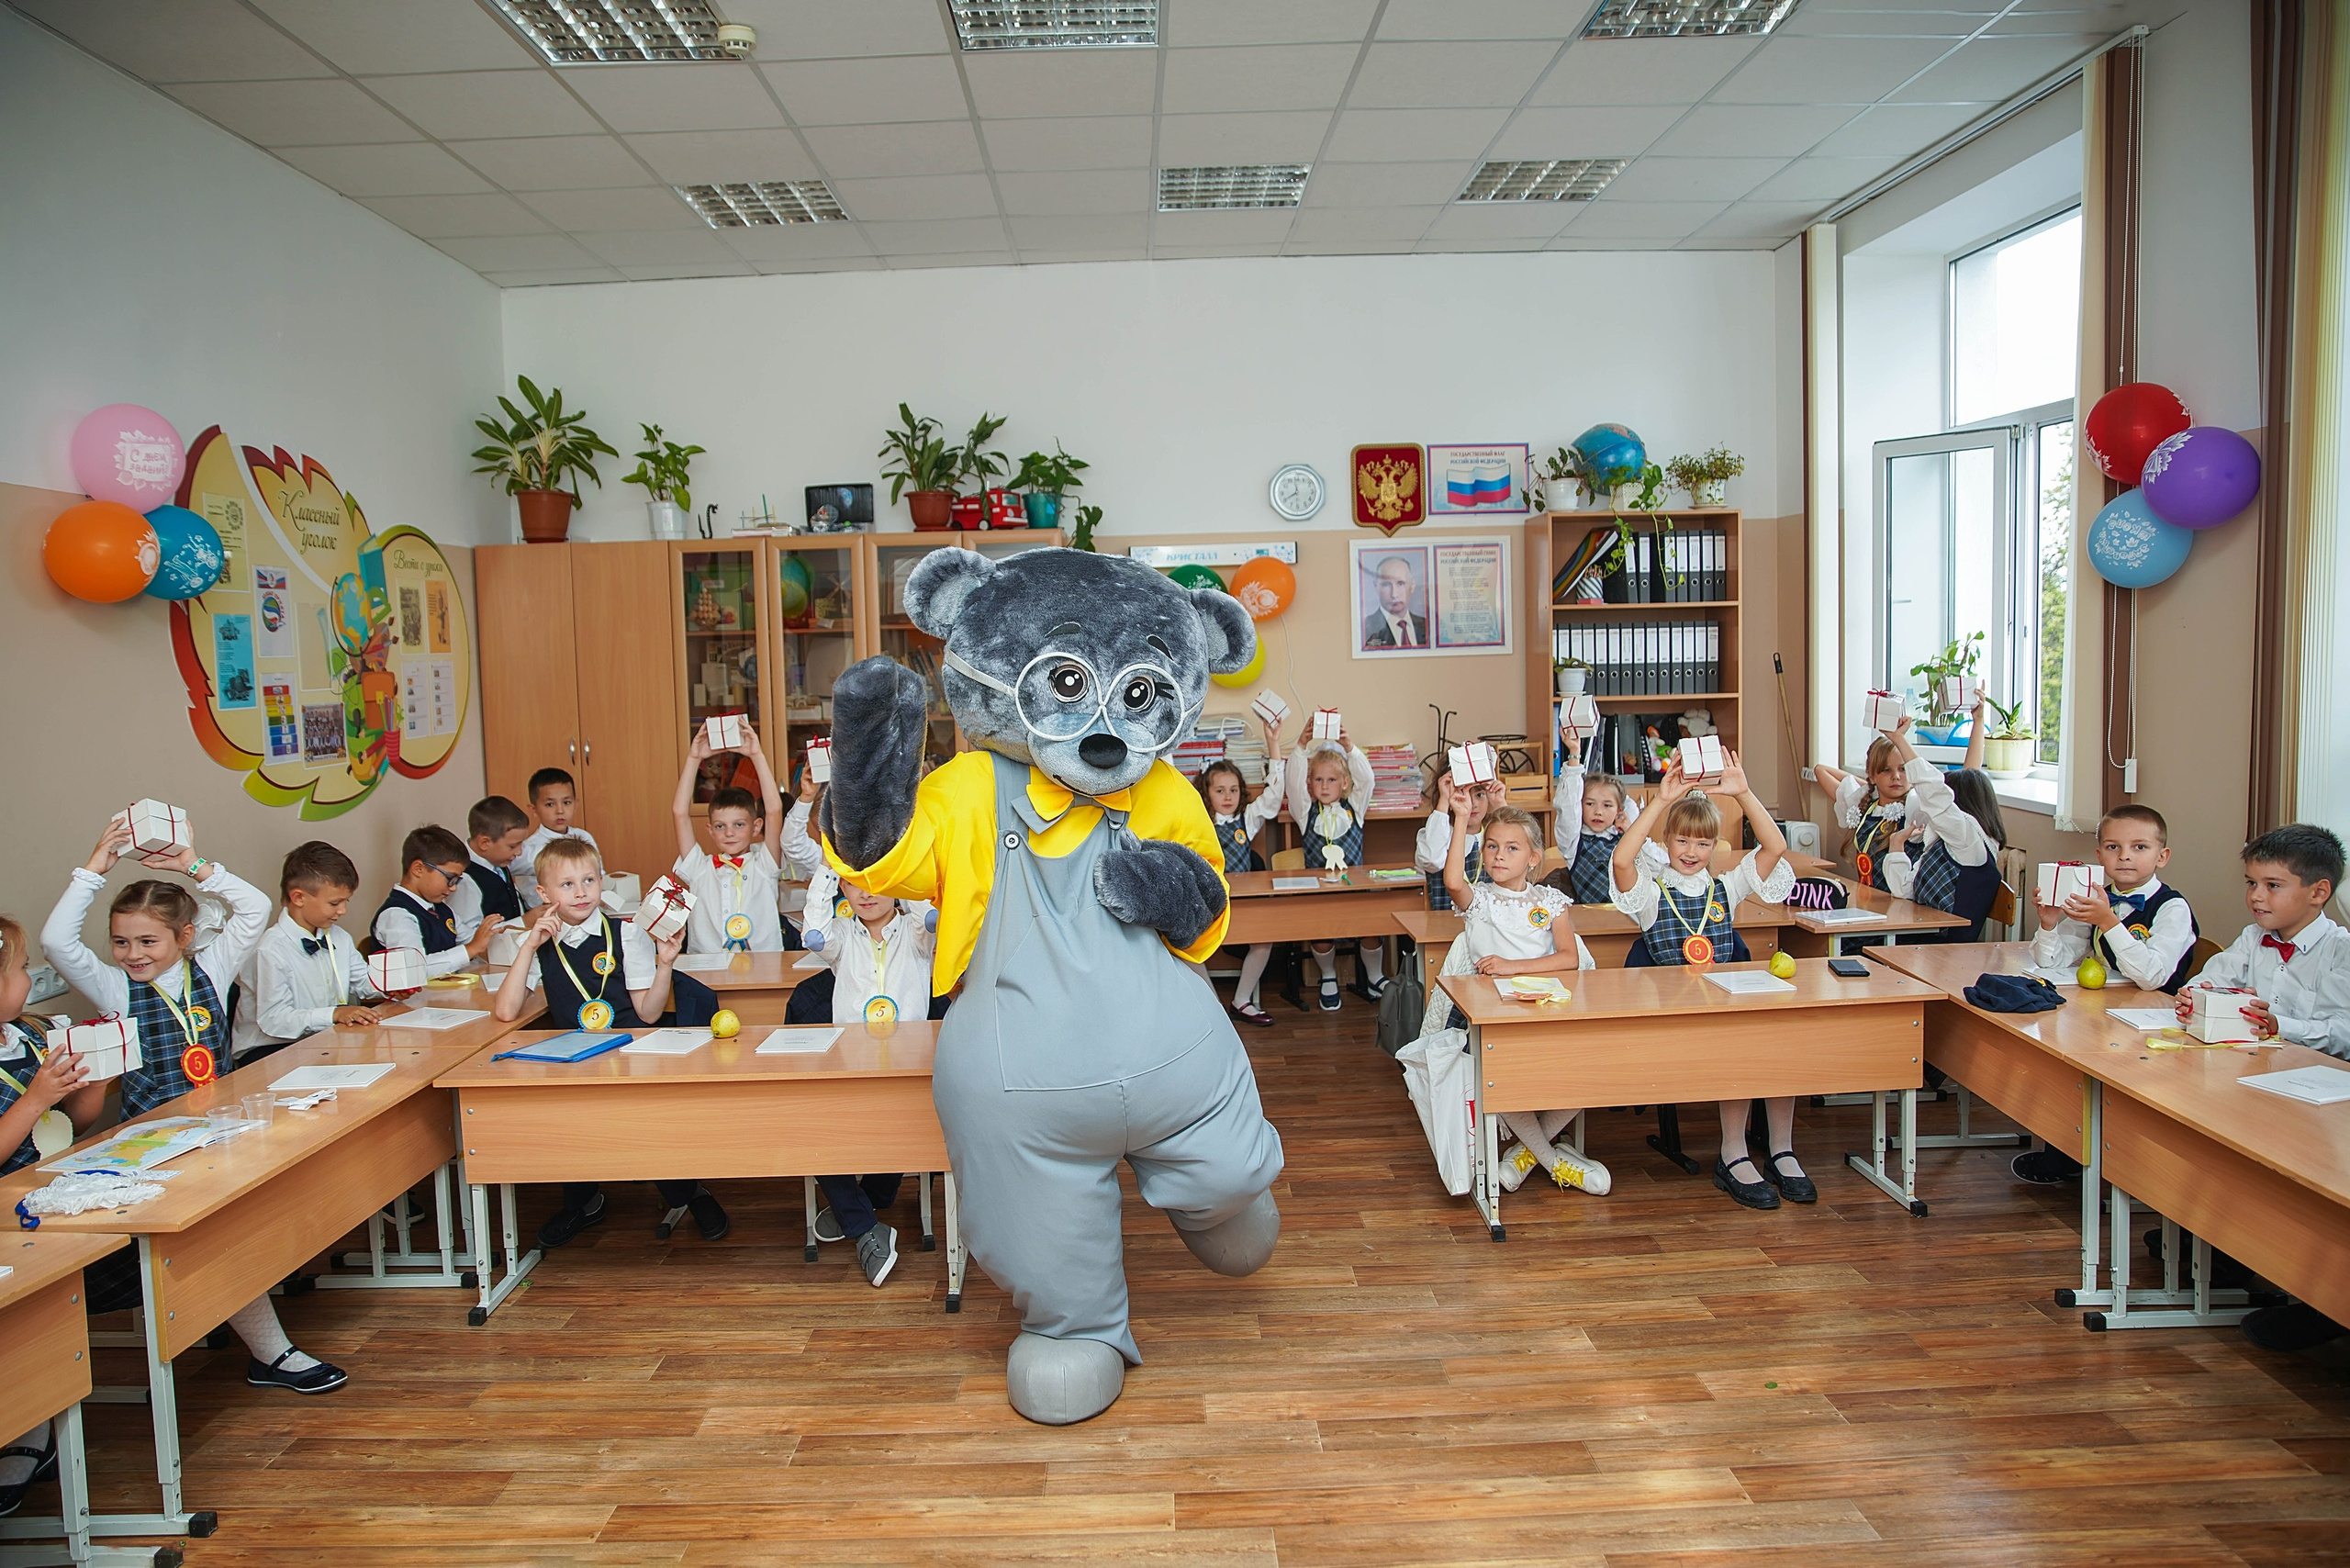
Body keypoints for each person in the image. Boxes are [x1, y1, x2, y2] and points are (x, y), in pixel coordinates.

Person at [41, 818, 348, 1394]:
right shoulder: (115, 988)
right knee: (216, 1240)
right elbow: (58, 943)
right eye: (122, 942)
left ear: (184, 937)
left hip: (222, 1132)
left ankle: (256, 1341)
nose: (133, 954)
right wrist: (93, 871)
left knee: (240, 1229)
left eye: (148, 941)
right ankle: (271, 1353)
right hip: (152, 1147)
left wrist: (192, 865)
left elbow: (254, 907)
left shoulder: (210, 968)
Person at [490, 836, 716, 1248]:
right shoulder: (540, 945)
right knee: (571, 1124)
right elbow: (506, 1011)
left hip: (631, 1047)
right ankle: (583, 1201)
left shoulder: (624, 933)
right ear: (543, 894)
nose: (581, 892)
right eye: (567, 884)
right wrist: (528, 946)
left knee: (644, 1123)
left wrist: (665, 963)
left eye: (589, 880)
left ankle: (688, 1193)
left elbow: (648, 1013)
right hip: (574, 1057)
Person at [2175, 824, 2350, 1353]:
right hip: (2261, 1078)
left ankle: (2321, 1306)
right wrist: (2195, 995)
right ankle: (2225, 1250)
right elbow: (2213, 977)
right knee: (2220, 1143)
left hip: (2323, 1092)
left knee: (2304, 1186)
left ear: (2318, 892)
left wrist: (2283, 1026)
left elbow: (2344, 1031)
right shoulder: (2254, 938)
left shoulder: (2341, 951)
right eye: (2252, 883)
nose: (2256, 896)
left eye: (2273, 885)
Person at [1611, 753, 1802, 1211]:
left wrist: (1743, 792)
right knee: (1738, 1044)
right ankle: (1733, 1153)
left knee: (1783, 1036)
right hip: (1673, 1014)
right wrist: (1660, 800)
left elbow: (1774, 848)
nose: (1691, 852)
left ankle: (1782, 1149)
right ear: (1666, 841)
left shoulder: (1728, 887)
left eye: (1702, 843)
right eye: (1681, 841)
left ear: (1714, 845)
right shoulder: (1651, 894)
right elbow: (1621, 859)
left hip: (1723, 1004)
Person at [2009, 805, 2200, 1186]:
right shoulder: (2099, 897)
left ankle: (2115, 1164)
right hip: (2107, 1014)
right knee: (2058, 1055)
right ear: (2099, 856)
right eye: (2113, 846)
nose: (2125, 856)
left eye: (2139, 847)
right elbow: (2053, 961)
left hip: (2157, 1025)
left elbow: (2152, 977)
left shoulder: (2172, 909)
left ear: (2162, 856)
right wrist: (2048, 924)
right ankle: (2068, 1152)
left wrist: (2109, 922)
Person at [1446, 801, 1607, 1194]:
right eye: (1491, 846)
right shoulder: (1479, 899)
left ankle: (1524, 1154)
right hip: (1493, 1014)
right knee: (1500, 1080)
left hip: (1545, 1006)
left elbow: (1569, 958)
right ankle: (1552, 1161)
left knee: (1591, 1076)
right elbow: (1452, 880)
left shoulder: (1549, 901)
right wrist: (1463, 819)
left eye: (1512, 848)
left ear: (1533, 858)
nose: (1499, 855)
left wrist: (1512, 966)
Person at [799, 858, 940, 1286]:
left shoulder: (918, 936)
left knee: (901, 1134)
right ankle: (865, 1226)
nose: (866, 891)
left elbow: (931, 912)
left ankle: (863, 1204)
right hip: (853, 1067)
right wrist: (828, 867)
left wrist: (904, 866)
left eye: (878, 880)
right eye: (854, 882)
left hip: (910, 1070)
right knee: (813, 1132)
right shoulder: (840, 939)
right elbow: (813, 932)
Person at [232, 841, 387, 1066]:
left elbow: (363, 980)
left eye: (346, 901)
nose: (343, 911)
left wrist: (392, 986)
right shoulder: (270, 949)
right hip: (268, 1051)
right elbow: (274, 1020)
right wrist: (334, 1014)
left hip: (319, 1040)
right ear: (299, 898)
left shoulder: (339, 938)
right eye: (335, 903)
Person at [1283, 720, 1384, 1010]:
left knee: (1371, 927)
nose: (1325, 786)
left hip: (1356, 892)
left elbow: (1368, 780)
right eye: (1318, 780)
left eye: (1331, 780)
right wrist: (1301, 746)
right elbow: (1292, 781)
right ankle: (1328, 977)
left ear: (1344, 784)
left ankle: (1375, 976)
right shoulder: (1304, 812)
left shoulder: (1355, 809)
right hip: (1320, 893)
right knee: (1321, 932)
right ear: (1310, 783)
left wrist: (1349, 746)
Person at [1872, 723, 2004, 942]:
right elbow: (1905, 891)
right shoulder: (1945, 844)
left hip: (1943, 951)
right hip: (1920, 941)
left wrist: (1900, 740)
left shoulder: (1969, 842)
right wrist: (1896, 846)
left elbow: (1935, 795)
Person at [669, 721, 787, 957]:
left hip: (764, 965)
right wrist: (694, 759)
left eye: (739, 825)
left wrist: (756, 755)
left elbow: (774, 810)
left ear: (756, 827)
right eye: (720, 826)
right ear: (710, 830)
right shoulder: (699, 868)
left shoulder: (764, 865)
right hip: (706, 968)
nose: (729, 833)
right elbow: (679, 813)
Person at [1197, 724, 1285, 1025]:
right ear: (1206, 793)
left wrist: (1274, 745)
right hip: (1210, 906)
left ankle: (1242, 1001)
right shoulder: (1199, 821)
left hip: (1241, 907)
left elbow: (1273, 798)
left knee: (1264, 940)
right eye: (1219, 790)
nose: (1228, 796)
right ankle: (1211, 1006)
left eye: (1233, 790)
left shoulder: (1246, 819)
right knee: (1186, 943)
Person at [1545, 722, 1662, 903]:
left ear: (1619, 811)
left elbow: (1660, 869)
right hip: (1595, 919)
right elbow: (1568, 805)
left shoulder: (1625, 838)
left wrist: (1632, 833)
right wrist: (1574, 754)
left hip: (1633, 917)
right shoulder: (1574, 843)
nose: (1598, 812)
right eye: (1590, 804)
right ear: (1580, 805)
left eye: (1607, 806)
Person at [372, 824, 502, 979]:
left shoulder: (441, 909)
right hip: (414, 1001)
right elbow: (412, 971)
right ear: (418, 869)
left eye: (457, 880)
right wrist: (470, 949)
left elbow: (473, 941)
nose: (453, 888)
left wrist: (486, 938)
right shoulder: (396, 915)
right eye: (450, 878)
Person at [1812, 732, 1911, 891]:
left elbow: (1964, 782)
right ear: (1872, 775)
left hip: (1903, 903)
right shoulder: (1865, 805)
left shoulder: (1915, 808)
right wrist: (1870, 786)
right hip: (1871, 900)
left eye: (1903, 769)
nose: (1896, 777)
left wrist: (1876, 782)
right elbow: (1820, 770)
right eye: (1886, 770)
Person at [1415, 768, 1496, 913]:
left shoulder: (1494, 836)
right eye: (1461, 793)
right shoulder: (1440, 834)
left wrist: (1500, 804)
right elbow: (1430, 860)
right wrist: (1444, 800)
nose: (1472, 803)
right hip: (1447, 924)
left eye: (1480, 795)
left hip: (1489, 925)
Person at [448, 795, 530, 941]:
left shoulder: (498, 862)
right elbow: (468, 936)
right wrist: (524, 921)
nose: (519, 852)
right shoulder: (465, 878)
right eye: (512, 846)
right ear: (485, 843)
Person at [516, 767, 598, 907]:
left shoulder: (584, 837)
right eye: (550, 804)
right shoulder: (527, 849)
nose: (560, 811)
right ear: (534, 810)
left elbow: (597, 874)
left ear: (575, 804)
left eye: (566, 803)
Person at [1360, 554, 1429, 649]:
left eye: (1400, 584)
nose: (1394, 594)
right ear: (1376, 586)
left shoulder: (1427, 626)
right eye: (1386, 585)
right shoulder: (1364, 629)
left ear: (1412, 585)